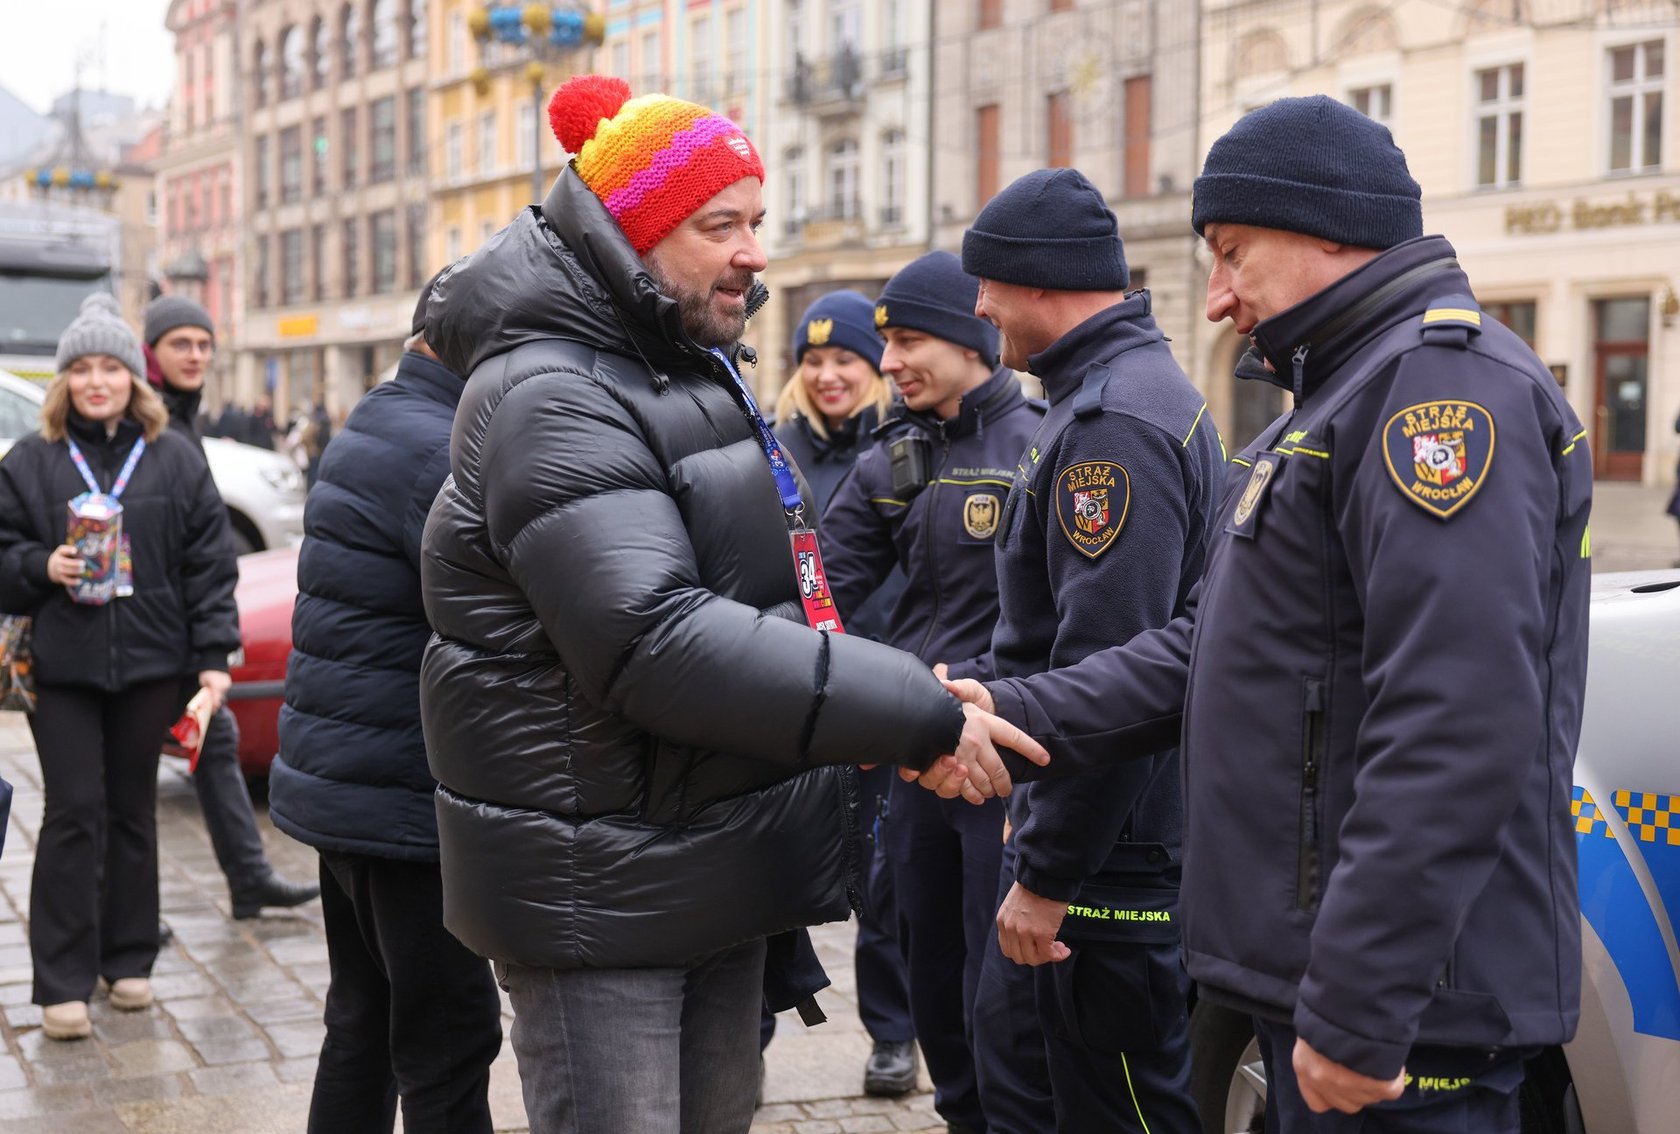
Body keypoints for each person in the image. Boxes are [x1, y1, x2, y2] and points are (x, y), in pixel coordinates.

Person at [928, 96, 1593, 1133]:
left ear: (1328, 226)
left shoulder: (1438, 395)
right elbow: (1209, 649)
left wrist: (1367, 997)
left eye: (1233, 253)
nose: (1216, 298)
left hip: (1407, 1005)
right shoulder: (1339, 399)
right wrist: (1014, 711)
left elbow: (1457, 719)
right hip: (1320, 970)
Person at [415, 74, 1042, 1134]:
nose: (755, 252)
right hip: (602, 889)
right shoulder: (555, 391)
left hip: (708, 855)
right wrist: (912, 711)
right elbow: (656, 640)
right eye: (720, 226)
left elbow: (769, 591)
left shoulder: (680, 364)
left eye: (757, 221)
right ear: (633, 231)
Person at [954, 168, 1222, 1134]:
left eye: (988, 281)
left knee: (1115, 1111)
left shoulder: (1116, 427)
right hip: (1092, 849)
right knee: (1029, 1094)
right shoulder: (1093, 402)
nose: (979, 307)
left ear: (1040, 277)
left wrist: (1050, 873)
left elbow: (1116, 670)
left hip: (1111, 865)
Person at [820, 250, 1045, 1133]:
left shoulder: (1040, 444)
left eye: (909, 340)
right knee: (928, 964)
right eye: (888, 343)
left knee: (1003, 986)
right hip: (918, 758)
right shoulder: (893, 454)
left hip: (1003, 761)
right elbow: (822, 590)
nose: (889, 362)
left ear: (969, 339)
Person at [271, 275, 502, 1133]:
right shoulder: (437, 448)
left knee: (363, 1022)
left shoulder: (383, 416)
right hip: (400, 795)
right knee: (449, 1036)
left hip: (352, 785)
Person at [0, 294, 240, 1040]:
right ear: (64, 380)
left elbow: (210, 564)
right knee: (73, 811)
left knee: (134, 811)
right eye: (82, 369)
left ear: (133, 378)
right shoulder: (29, 461)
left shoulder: (174, 456)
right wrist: (41, 565)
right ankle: (62, 983)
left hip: (152, 663)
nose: (96, 382)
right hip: (62, 667)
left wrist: (213, 658)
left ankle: (129, 958)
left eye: (110, 368)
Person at [768, 289, 917, 1099]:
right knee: (770, 869)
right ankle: (749, 1033)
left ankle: (893, 1034)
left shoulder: (905, 445)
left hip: (882, 688)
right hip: (793, 688)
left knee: (886, 875)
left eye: (845, 359)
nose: (828, 375)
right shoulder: (771, 447)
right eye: (815, 361)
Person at [142, 295, 320, 924]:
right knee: (126, 775)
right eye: (180, 344)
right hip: (150, 628)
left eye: (203, 344)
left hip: (184, 625)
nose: (195, 355)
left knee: (215, 741)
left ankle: (248, 879)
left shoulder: (182, 416)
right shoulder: (149, 420)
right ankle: (128, 913)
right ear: (152, 352)